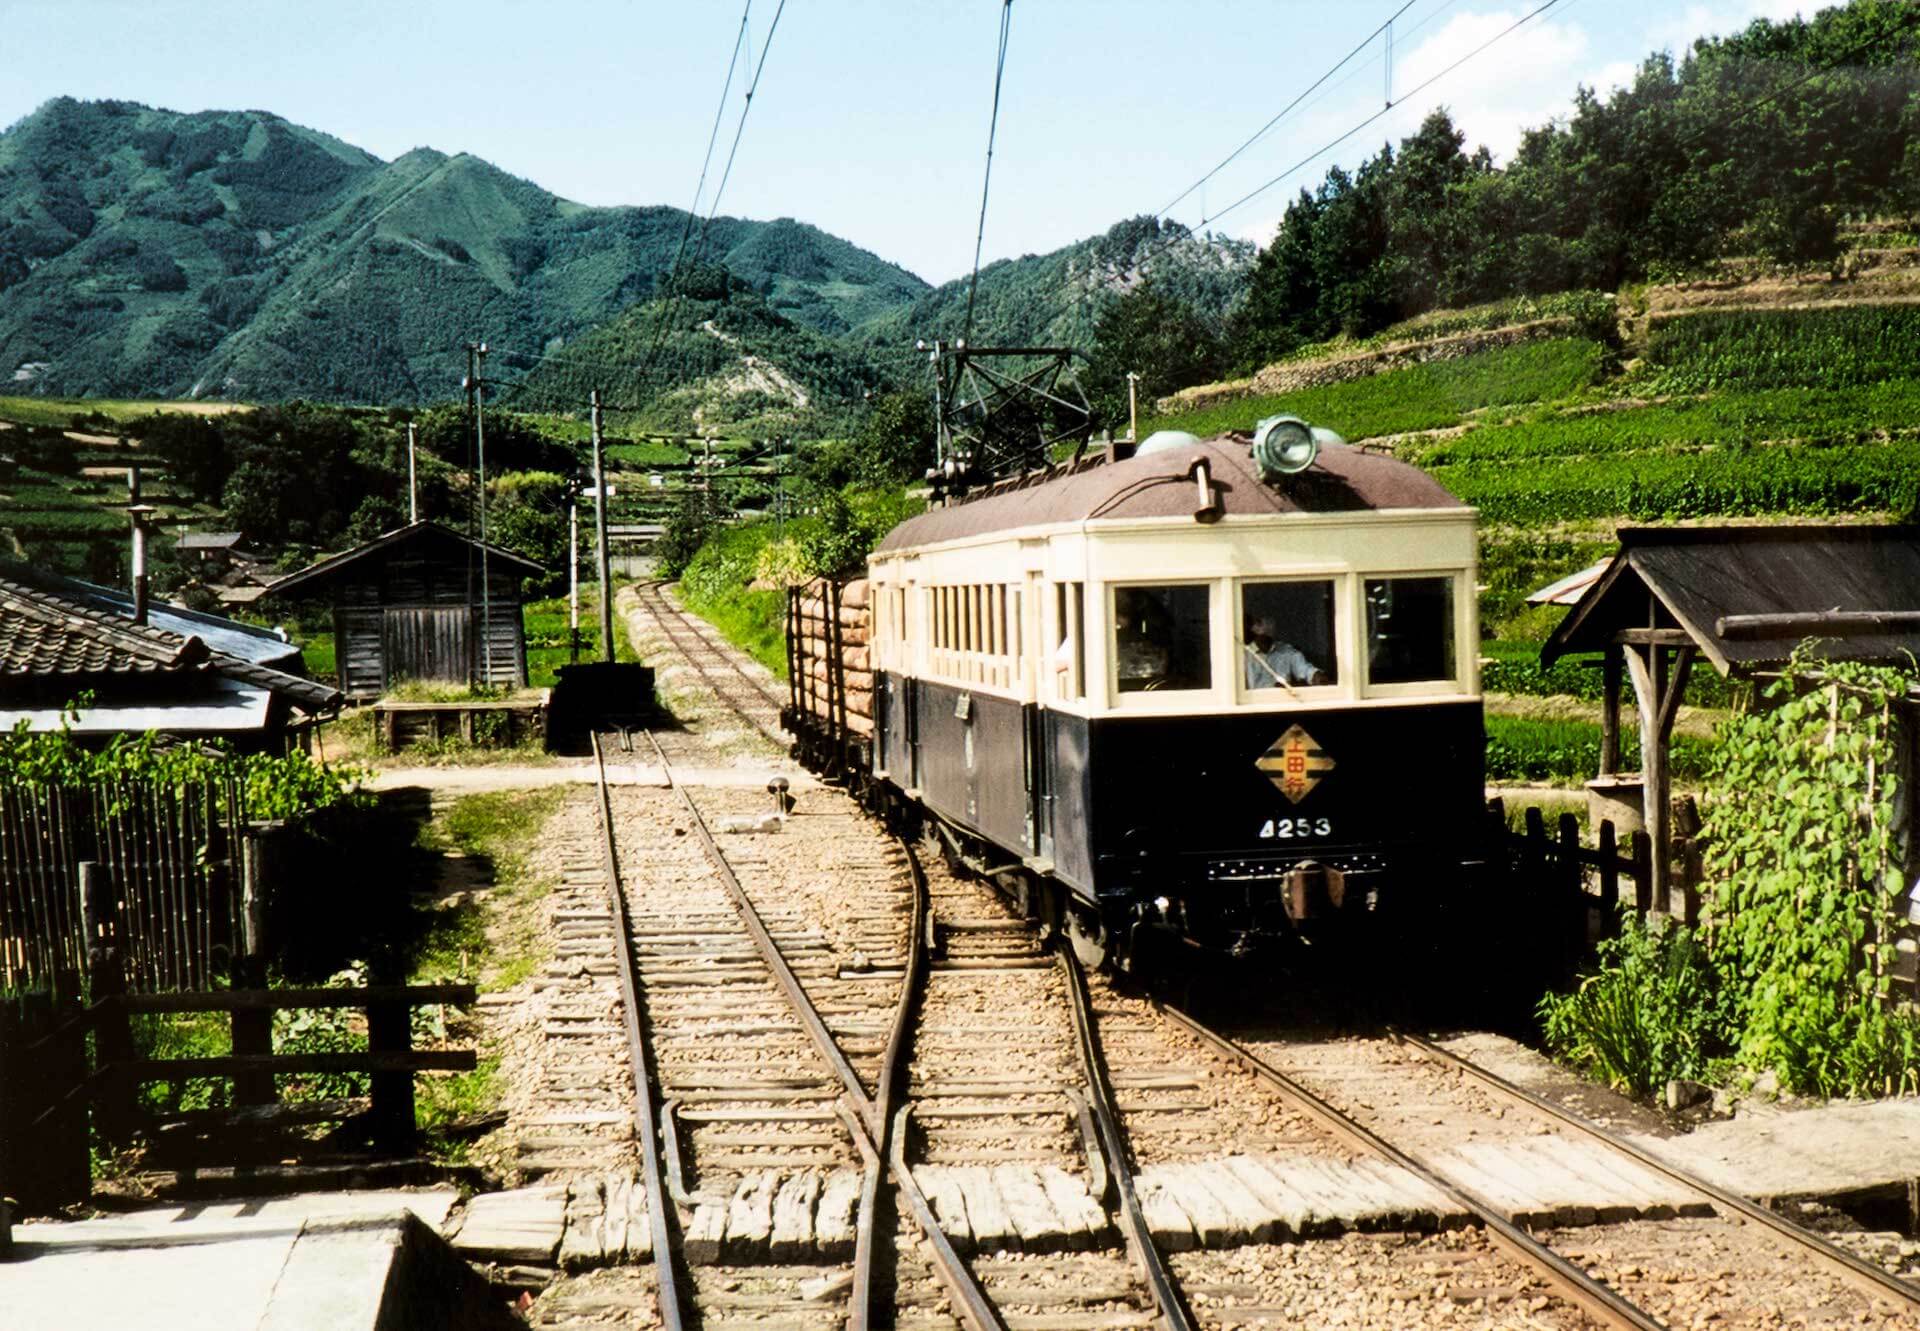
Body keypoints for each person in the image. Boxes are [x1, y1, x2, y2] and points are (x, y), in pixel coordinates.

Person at [1244, 614, 1327, 689]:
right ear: (1253, 632)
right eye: (1259, 624)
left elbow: (1305, 669)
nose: (1264, 639)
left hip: (1283, 702)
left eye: (1267, 635)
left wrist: (1315, 675)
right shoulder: (1244, 655)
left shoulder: (1286, 651)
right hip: (1255, 704)